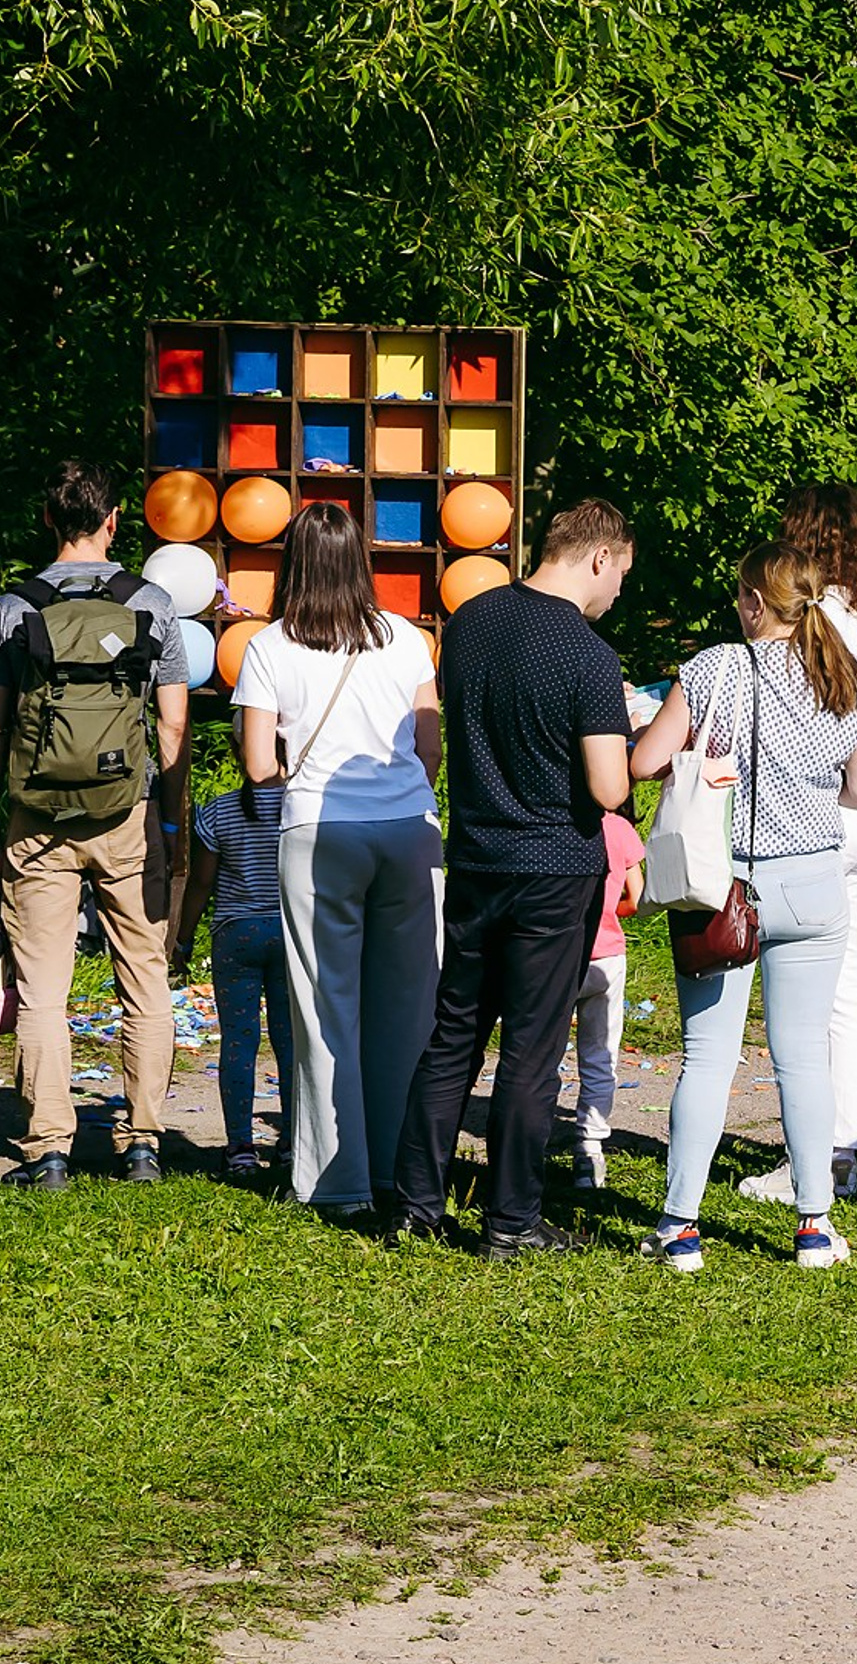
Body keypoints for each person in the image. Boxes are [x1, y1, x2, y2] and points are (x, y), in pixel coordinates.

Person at [391, 500, 637, 1259]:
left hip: (474, 857)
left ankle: (416, 1207)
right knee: (531, 1050)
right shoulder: (589, 656)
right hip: (553, 869)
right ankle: (511, 1221)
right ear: (599, 557)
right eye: (622, 575)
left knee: (453, 1034)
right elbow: (607, 790)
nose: (618, 593)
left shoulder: (470, 621)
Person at [632, 543, 857, 1271]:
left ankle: (680, 1228)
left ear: (754, 601)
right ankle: (813, 1225)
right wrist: (806, 799)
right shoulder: (841, 677)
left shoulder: (713, 668)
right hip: (811, 883)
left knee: (707, 1058)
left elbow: (649, 761)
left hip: (718, 888)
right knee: (803, 1057)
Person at [234, 502, 442, 1216]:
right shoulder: (408, 641)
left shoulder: (269, 647)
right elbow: (430, 747)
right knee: (408, 1011)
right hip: (411, 831)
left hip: (322, 833)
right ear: (361, 562)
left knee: (327, 1011)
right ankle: (401, 1170)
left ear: (291, 562)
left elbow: (259, 765)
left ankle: (338, 1182)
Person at [736, 485, 857, 1206]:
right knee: (854, 992)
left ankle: (808, 1163)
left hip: (825, 815)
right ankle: (844, 1147)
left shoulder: (808, 620)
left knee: (805, 997)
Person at [0, 459, 192, 1189]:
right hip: (127, 812)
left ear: (48, 519)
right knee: (143, 978)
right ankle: (140, 1142)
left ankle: (49, 1147)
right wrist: (168, 825)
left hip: (36, 816)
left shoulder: (13, 608)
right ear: (115, 520)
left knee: (42, 986)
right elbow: (173, 727)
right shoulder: (153, 604)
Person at [171, 770, 293, 1182]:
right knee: (290, 1043)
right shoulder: (302, 805)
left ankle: (239, 1147)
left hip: (236, 934)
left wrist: (183, 941)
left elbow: (202, 882)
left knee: (239, 1042)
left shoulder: (219, 810)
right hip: (290, 934)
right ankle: (293, 1143)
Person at [567, 802, 648, 1191]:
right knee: (601, 1054)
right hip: (609, 955)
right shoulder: (620, 828)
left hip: (560, 954)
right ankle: (590, 1148)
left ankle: (527, 1138)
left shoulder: (561, 821)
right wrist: (609, 914)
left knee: (544, 1052)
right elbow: (638, 897)